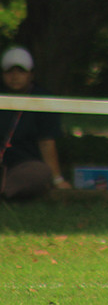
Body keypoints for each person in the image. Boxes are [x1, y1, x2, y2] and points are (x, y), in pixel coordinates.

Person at [0, 47, 73, 199]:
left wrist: (57, 179)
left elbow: (46, 142)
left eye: (21, 71)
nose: (15, 77)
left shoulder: (42, 99)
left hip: (24, 164)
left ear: (31, 74)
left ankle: (6, 191)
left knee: (40, 173)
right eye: (9, 72)